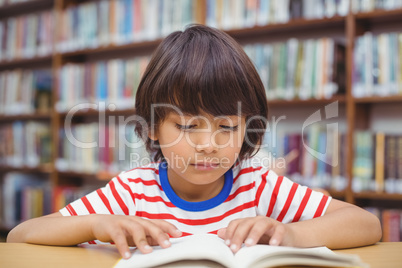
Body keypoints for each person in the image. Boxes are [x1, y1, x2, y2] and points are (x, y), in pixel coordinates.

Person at [7, 24, 381, 260]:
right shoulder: (134, 190)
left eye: (227, 127)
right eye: (187, 127)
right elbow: (21, 235)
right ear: (153, 127)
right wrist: (94, 225)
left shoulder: (258, 185)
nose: (209, 144)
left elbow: (365, 224)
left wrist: (294, 233)